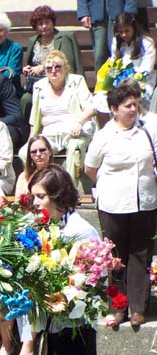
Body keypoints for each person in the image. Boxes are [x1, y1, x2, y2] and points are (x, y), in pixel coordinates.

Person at [29, 164, 112, 355]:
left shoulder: (81, 231)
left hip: (75, 328)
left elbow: (93, 280)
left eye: (41, 196)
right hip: (55, 327)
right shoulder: (45, 229)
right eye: (34, 196)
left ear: (58, 196)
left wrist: (61, 288)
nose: (35, 202)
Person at [85, 81, 157, 329]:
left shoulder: (147, 131)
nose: (133, 109)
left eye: (136, 105)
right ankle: (117, 307)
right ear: (114, 109)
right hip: (113, 204)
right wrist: (110, 186)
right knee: (116, 258)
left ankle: (138, 309)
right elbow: (90, 168)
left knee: (140, 255)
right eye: (128, 106)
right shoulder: (104, 136)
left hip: (144, 203)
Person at [23, 50, 96, 189]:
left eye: (57, 67)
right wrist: (31, 140)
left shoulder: (76, 81)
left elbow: (91, 108)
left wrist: (79, 122)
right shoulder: (39, 86)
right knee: (23, 152)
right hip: (49, 134)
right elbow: (34, 119)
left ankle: (70, 190)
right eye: (49, 68)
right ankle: (39, 188)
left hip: (74, 131)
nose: (53, 71)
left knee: (75, 148)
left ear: (65, 68)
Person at [22, 5, 84, 87]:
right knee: (24, 95)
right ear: (35, 26)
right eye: (40, 24)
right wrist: (28, 69)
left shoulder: (65, 38)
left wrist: (43, 67)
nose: (44, 26)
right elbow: (30, 65)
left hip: (61, 83)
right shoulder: (33, 41)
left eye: (47, 22)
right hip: (37, 84)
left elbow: (68, 63)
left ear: (53, 23)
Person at [78, 0, 137, 72]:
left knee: (117, 52)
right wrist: (83, 13)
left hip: (119, 14)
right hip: (97, 15)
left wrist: (129, 11)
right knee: (100, 55)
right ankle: (101, 79)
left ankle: (121, 78)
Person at [110, 12, 156, 97]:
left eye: (127, 31)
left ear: (134, 27)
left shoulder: (146, 42)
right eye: (120, 32)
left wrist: (133, 81)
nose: (124, 35)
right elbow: (113, 63)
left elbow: (147, 69)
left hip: (143, 82)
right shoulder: (116, 42)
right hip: (121, 83)